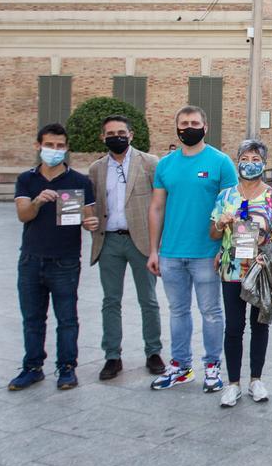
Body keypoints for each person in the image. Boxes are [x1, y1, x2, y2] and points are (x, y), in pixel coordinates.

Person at [147, 106, 238, 392]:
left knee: (211, 312)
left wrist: (223, 249)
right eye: (184, 123)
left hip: (206, 253)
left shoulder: (221, 162)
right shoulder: (165, 165)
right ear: (176, 127)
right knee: (178, 311)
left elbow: (233, 209)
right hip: (171, 253)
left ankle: (212, 366)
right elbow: (157, 207)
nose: (189, 127)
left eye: (194, 122)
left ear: (205, 127)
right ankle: (181, 366)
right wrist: (153, 250)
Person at [9, 123, 100, 391]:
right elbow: (23, 215)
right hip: (31, 258)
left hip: (65, 260)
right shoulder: (27, 179)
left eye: (60, 146)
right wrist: (37, 201)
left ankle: (67, 368)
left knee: (67, 318)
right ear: (39, 146)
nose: (55, 150)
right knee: (33, 318)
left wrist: (89, 223)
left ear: (66, 148)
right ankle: (32, 367)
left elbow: (88, 215)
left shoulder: (79, 182)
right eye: (50, 145)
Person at [210, 139, 272, 407]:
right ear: (237, 161)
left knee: (260, 325)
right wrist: (221, 225)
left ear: (264, 164)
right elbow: (213, 232)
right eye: (245, 158)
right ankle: (233, 383)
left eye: (256, 159)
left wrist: (271, 246)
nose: (250, 164)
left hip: (261, 270)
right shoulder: (226, 196)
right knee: (233, 327)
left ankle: (256, 379)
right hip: (232, 269)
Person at [88, 115, 164, 380]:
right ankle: (112, 355)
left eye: (121, 132)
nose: (116, 136)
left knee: (149, 300)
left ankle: (153, 351)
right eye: (110, 133)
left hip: (141, 240)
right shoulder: (96, 168)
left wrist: (159, 245)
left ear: (131, 135)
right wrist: (89, 221)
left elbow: (160, 203)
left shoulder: (150, 163)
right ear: (103, 137)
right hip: (108, 240)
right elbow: (92, 204)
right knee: (110, 300)